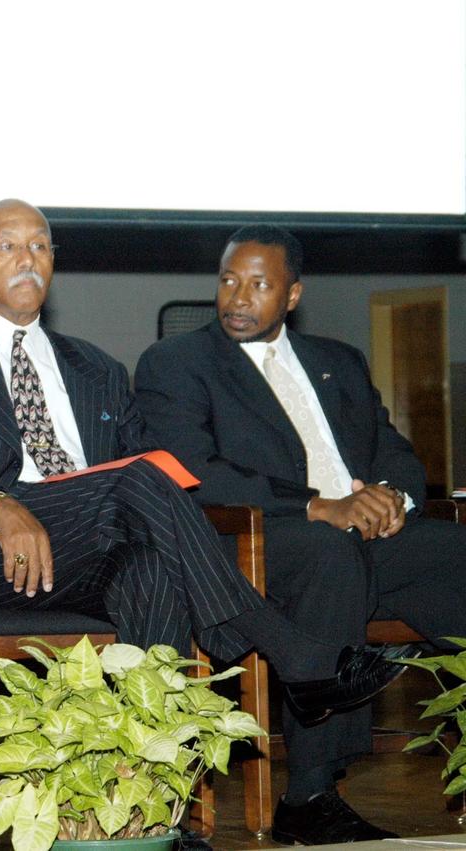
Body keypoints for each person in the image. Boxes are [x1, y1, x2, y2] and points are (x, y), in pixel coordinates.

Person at [0, 199, 411, 743]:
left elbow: (159, 471)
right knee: (133, 479)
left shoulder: (99, 368)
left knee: (151, 570)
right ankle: (290, 651)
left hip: (96, 546)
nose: (27, 260)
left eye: (40, 246)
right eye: (8, 246)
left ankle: (153, 799)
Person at [134, 224, 466, 844]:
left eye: (259, 284)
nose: (237, 298)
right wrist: (319, 506)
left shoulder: (338, 361)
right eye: (229, 281)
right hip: (257, 542)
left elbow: (392, 450)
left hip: (361, 535)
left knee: (452, 553)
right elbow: (193, 472)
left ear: (291, 295)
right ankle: (310, 793)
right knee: (329, 554)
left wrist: (392, 497)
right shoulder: (175, 363)